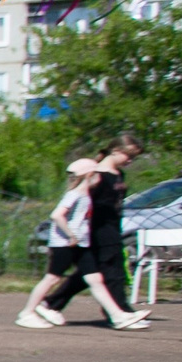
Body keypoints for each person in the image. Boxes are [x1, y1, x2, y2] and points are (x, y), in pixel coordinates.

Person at [41, 134, 149, 330]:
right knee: (113, 272)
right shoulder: (96, 175)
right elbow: (82, 205)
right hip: (97, 231)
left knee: (91, 273)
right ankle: (120, 313)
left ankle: (51, 303)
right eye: (129, 156)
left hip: (113, 228)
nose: (131, 161)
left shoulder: (118, 174)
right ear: (116, 151)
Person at [17, 159, 119, 328]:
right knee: (52, 278)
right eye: (97, 174)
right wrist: (71, 235)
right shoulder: (75, 194)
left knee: (95, 278)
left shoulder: (84, 194)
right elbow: (57, 215)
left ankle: (117, 315)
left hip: (79, 244)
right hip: (65, 243)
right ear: (90, 175)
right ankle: (27, 313)